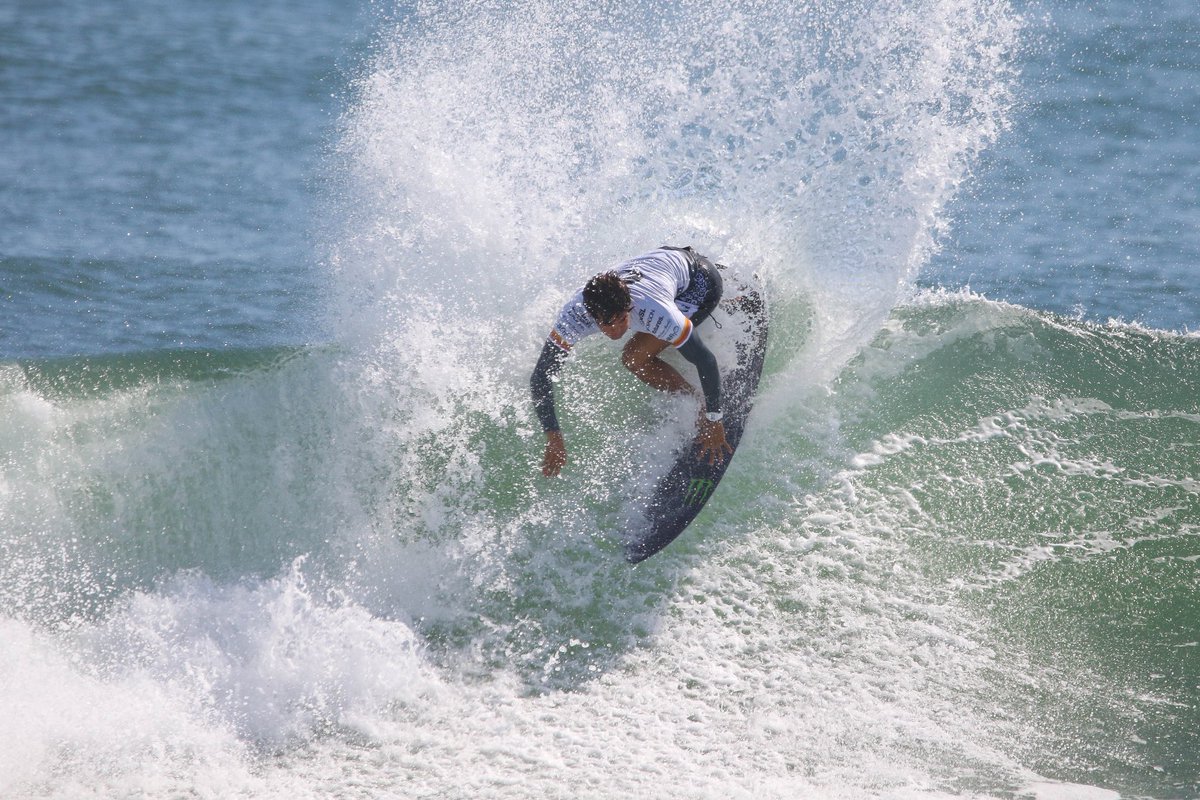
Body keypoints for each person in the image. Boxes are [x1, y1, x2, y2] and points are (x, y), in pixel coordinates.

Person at [530, 245, 732, 478]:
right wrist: (553, 436)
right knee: (632, 358)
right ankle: (694, 397)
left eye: (621, 319)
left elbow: (705, 360)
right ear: (592, 316)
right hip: (667, 264)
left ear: (629, 307)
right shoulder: (576, 313)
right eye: (606, 324)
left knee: (634, 358)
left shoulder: (656, 311)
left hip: (699, 282)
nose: (615, 329)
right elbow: (540, 376)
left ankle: (704, 405)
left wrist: (715, 419)